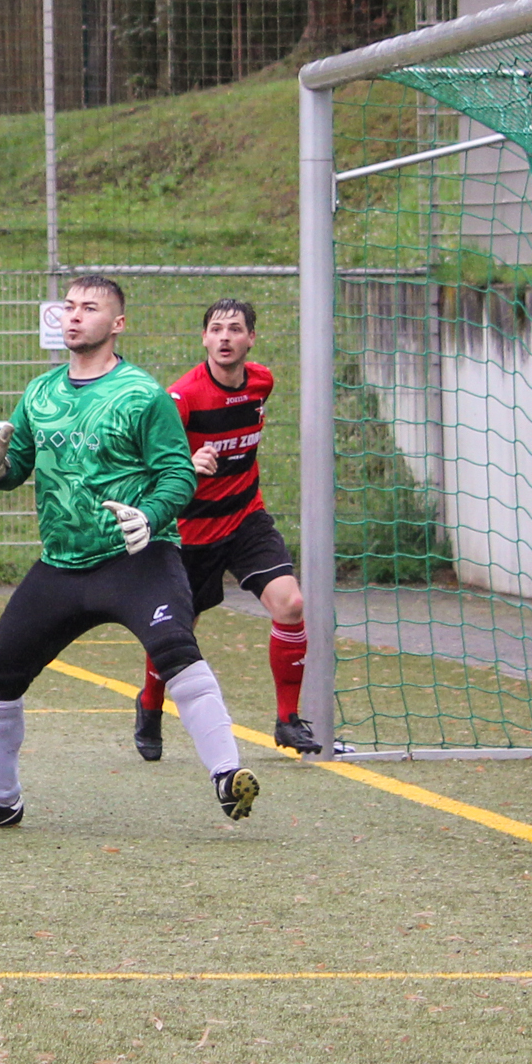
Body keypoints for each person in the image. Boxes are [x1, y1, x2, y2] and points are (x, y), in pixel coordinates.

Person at [0, 274, 260, 830]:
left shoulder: (143, 394)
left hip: (138, 557)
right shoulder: (40, 393)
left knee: (174, 648)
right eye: (69, 306)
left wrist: (150, 516)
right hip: (62, 563)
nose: (74, 316)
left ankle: (227, 775)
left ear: (117, 324)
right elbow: (15, 469)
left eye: (89, 308)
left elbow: (178, 474)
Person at [138, 298, 319, 757]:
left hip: (245, 519)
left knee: (291, 604)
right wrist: (187, 463)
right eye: (216, 329)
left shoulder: (262, 382)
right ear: (204, 338)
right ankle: (150, 704)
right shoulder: (181, 399)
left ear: (251, 339)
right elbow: (148, 463)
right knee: (177, 631)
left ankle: (287, 720)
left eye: (235, 329)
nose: (225, 337)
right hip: (191, 532)